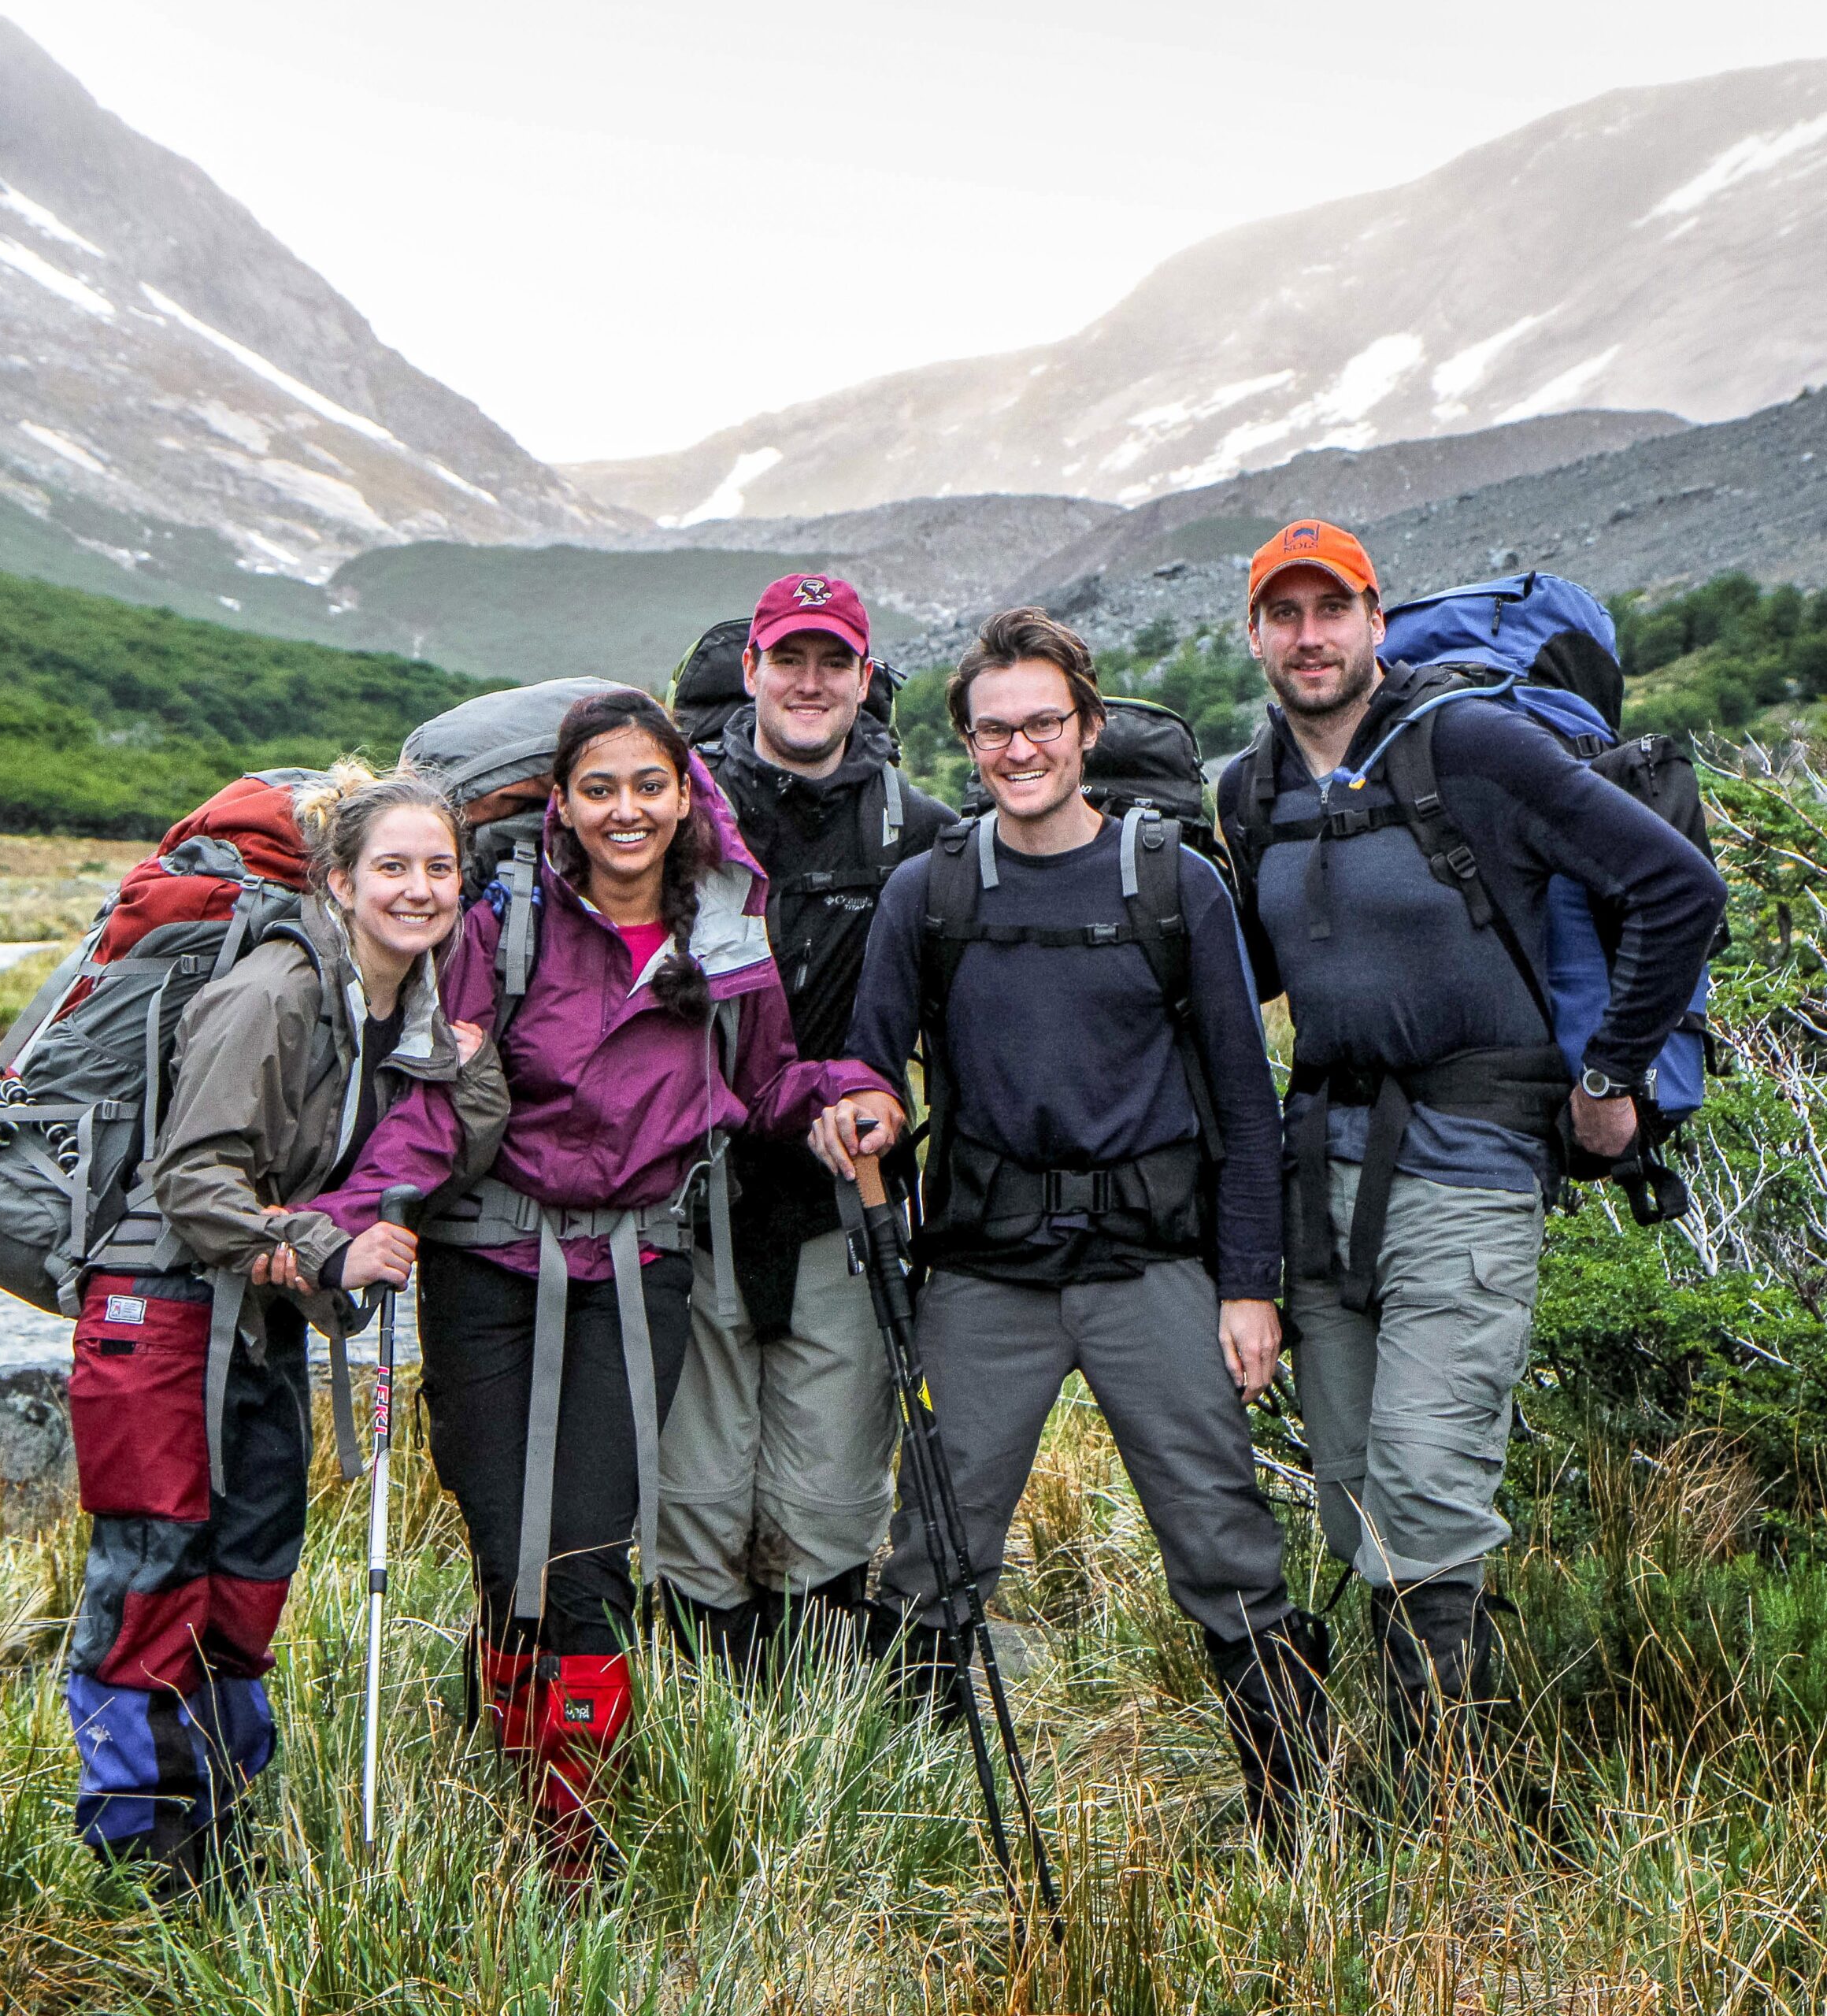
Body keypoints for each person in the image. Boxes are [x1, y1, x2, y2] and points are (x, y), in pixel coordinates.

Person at [311, 687, 903, 1876]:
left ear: (685, 795)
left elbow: (770, 1079)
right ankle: (523, 1771)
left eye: (648, 785)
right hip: (487, 1268)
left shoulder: (726, 928)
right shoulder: (509, 925)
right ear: (567, 807)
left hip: (639, 1269)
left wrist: (846, 1094)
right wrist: (350, 1224)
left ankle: (571, 1848)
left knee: (583, 1553)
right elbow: (443, 1101)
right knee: (506, 1549)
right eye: (599, 789)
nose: (625, 810)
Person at [1217, 521, 1727, 1805]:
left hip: (1473, 1163)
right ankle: (1426, 1777)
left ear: (1377, 622)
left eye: (1332, 608)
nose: (1310, 635)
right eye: (1284, 614)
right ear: (1257, 637)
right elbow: (1241, 989)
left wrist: (1610, 1076)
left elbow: (1677, 890)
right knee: (1352, 1496)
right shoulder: (1254, 789)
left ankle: (1456, 1806)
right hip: (1316, 1174)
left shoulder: (1479, 750)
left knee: (1428, 1486)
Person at [821, 606, 1331, 1855]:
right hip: (985, 1275)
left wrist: (1249, 1284)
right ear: (967, 744)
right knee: (936, 1553)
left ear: (1086, 729)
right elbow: (866, 1061)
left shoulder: (1178, 885)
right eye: (993, 731)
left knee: (1221, 1537)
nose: (1018, 748)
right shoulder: (926, 894)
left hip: (1154, 1265)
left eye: (1043, 723)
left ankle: (1305, 1817)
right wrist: (866, 1112)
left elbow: (1245, 1099)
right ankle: (919, 1822)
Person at [64, 763, 509, 1895]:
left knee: (249, 1572)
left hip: (253, 1316)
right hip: (157, 1313)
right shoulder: (274, 992)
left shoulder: (401, 999)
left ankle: (223, 1829)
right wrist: (329, 1250)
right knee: (158, 1570)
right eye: (393, 868)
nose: (419, 889)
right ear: (341, 878)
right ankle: (144, 1861)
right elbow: (191, 1181)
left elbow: (466, 1134)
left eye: (439, 868)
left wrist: (464, 1056)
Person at [658, 573, 954, 1671]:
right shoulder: (677, 819)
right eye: (791, 659)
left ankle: (802, 1733)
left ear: (866, 679)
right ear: (752, 670)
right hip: (695, 1203)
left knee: (828, 1491)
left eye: (835, 662)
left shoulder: (924, 836)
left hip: (847, 1208)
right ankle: (712, 1728)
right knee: (695, 1489)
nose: (811, 682)